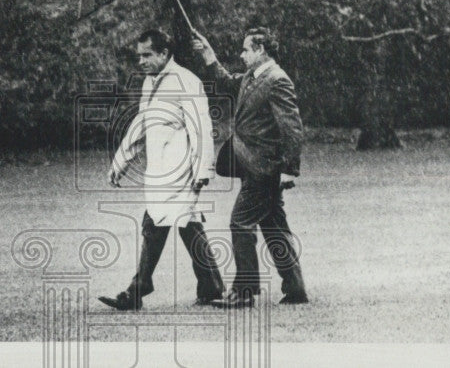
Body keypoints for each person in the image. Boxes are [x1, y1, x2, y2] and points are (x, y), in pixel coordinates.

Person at [98, 29, 225, 310]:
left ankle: (138, 289)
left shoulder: (186, 81)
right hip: (160, 171)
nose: (141, 61)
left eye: (147, 55)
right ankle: (211, 286)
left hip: (181, 171)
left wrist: (203, 170)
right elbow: (142, 124)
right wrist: (121, 160)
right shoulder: (149, 83)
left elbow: (201, 129)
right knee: (185, 226)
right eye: (139, 56)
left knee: (156, 224)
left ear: (165, 54)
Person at [191, 27, 308, 308]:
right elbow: (230, 82)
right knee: (273, 226)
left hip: (264, 169)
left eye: (246, 50)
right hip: (253, 166)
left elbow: (292, 128)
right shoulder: (253, 78)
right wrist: (209, 56)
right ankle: (295, 287)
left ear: (261, 50)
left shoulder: (277, 80)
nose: (242, 55)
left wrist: (289, 169)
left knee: (240, 222)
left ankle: (244, 292)